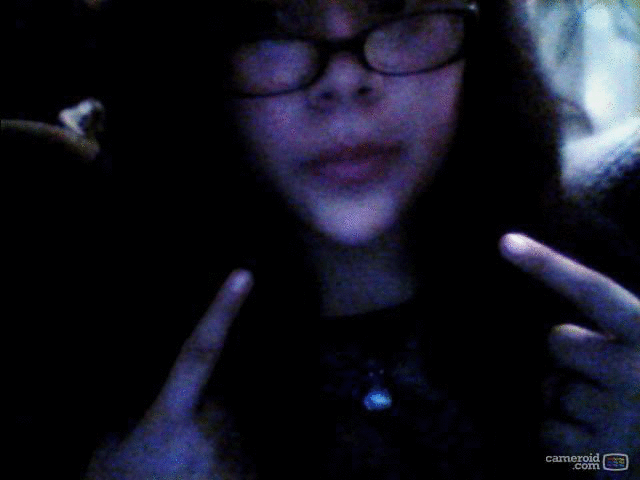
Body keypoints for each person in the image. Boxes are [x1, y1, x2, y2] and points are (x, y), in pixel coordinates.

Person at [8, 0, 637, 478]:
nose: (345, 81)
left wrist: (613, 463)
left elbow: (573, 465)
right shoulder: (87, 341)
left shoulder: (600, 310)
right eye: (272, 24)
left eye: (400, 12)